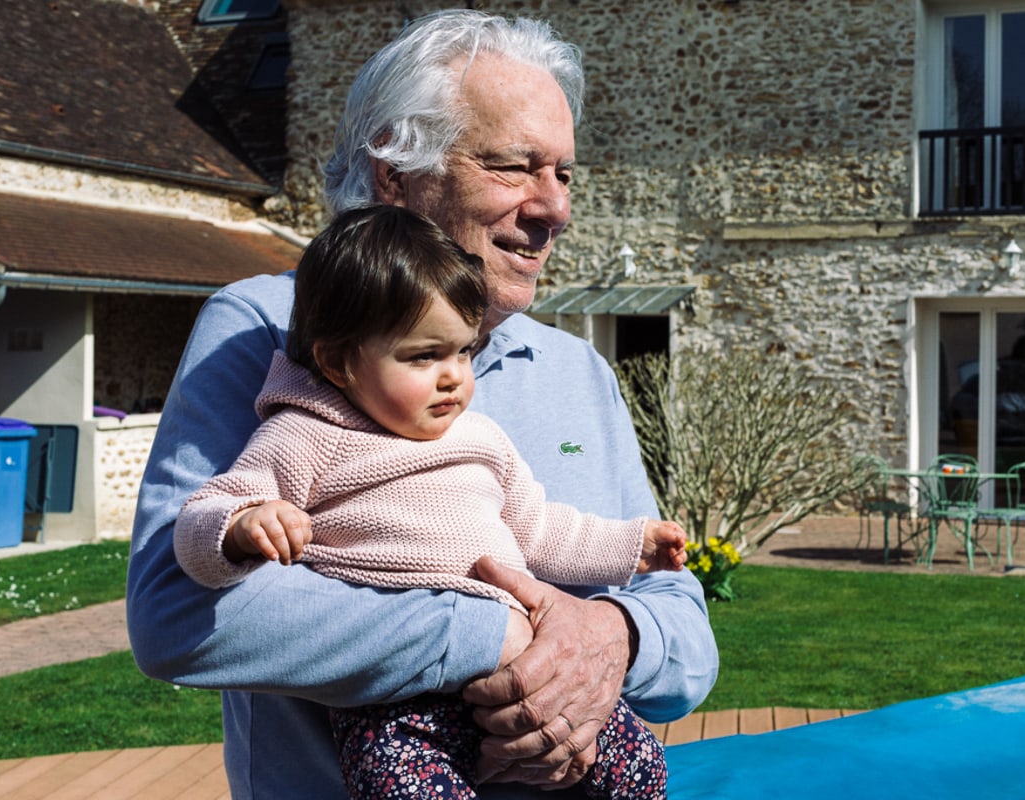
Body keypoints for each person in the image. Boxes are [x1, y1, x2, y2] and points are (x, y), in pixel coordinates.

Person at [127, 10, 718, 799]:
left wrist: (613, 637)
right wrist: (491, 636)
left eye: (565, 173)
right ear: (394, 174)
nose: (555, 208)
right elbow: (176, 616)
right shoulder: (271, 327)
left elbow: (681, 629)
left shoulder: (578, 369)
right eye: (515, 166)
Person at [173, 205, 684, 798]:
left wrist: (632, 545)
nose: (453, 377)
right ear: (339, 362)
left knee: (642, 769)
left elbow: (542, 531)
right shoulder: (303, 436)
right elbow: (198, 523)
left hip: (522, 687)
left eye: (463, 351)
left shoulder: (479, 438)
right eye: (424, 356)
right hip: (391, 704)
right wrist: (241, 526)